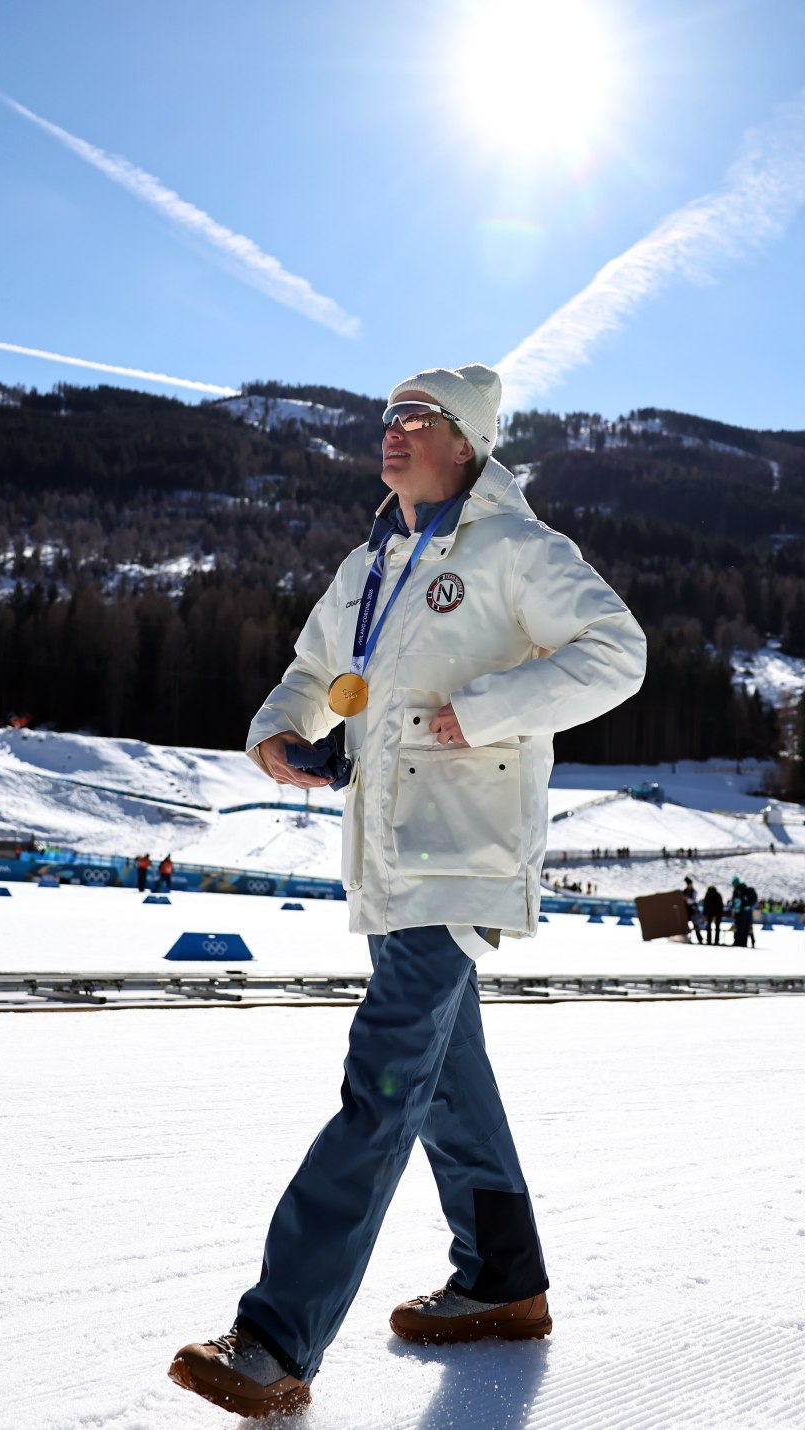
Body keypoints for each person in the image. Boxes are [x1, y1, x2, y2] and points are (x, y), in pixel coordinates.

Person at [168, 364, 647, 1418]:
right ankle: (503, 1280)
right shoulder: (375, 558)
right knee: (443, 1074)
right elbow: (309, 667)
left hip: (462, 855)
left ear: (466, 441)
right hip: (387, 858)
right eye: (386, 419)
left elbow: (620, 653)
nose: (392, 434)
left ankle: (274, 1337)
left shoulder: (518, 549)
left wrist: (485, 712)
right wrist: (281, 732)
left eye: (416, 420)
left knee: (381, 1084)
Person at [682, 875, 701, 943]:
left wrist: (686, 899)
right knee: (684, 926)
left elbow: (693, 900)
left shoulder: (694, 892)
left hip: (693, 911)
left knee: (696, 925)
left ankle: (700, 939)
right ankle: (686, 939)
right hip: (686, 911)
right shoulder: (684, 891)